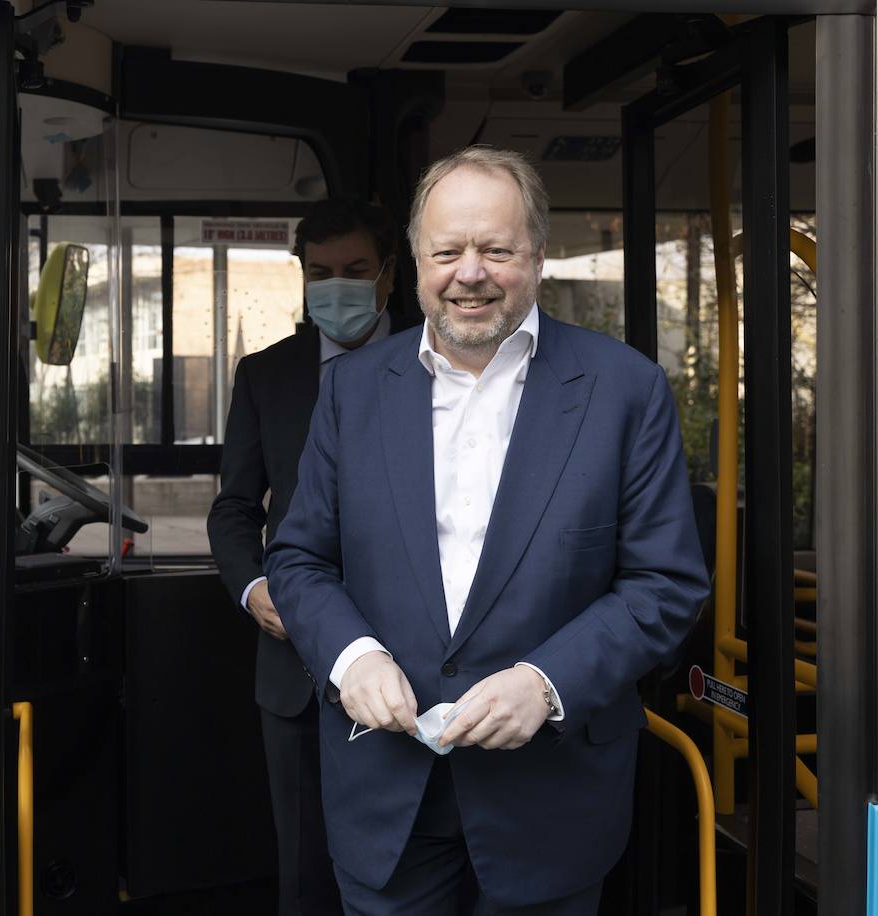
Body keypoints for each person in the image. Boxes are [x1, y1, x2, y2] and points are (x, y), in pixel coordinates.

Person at [265, 147, 709, 915]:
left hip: (553, 800)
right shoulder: (352, 391)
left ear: (536, 256)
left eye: (496, 249)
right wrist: (352, 657)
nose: (470, 272)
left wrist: (548, 682)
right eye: (448, 251)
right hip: (386, 799)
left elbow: (665, 583)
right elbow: (301, 558)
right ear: (414, 262)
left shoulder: (624, 388)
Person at [208, 198, 419, 916]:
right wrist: (254, 587)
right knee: (306, 872)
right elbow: (235, 509)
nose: (338, 286)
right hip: (297, 673)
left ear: (390, 276)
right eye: (321, 272)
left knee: (416, 864)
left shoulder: (442, 359)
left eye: (356, 270)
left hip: (422, 667)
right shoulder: (269, 375)